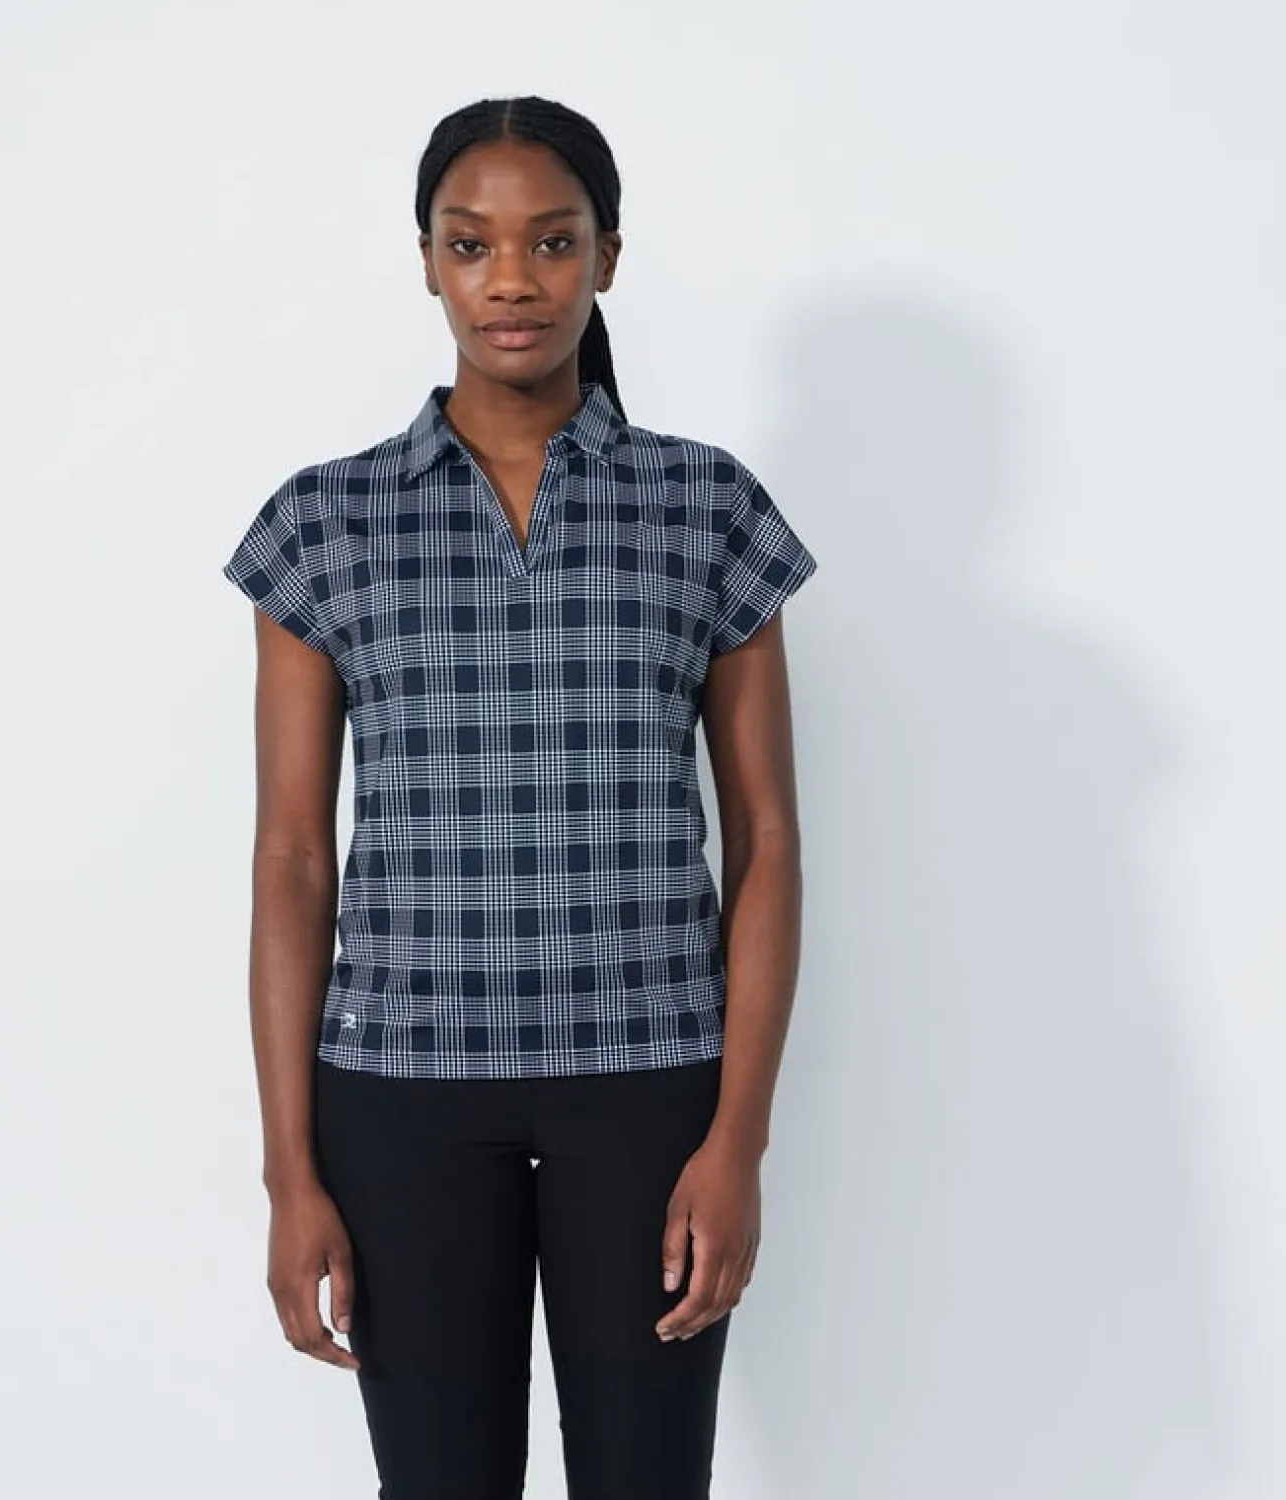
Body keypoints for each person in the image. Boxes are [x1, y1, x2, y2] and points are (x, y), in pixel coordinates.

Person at [221, 94, 817, 1500]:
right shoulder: (326, 521)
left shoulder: (705, 507)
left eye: (552, 241)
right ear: (427, 261)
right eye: (471, 242)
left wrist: (738, 1139)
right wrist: (289, 1171)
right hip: (401, 1093)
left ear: (607, 255)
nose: (512, 279)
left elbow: (769, 840)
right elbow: (292, 857)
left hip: (650, 1084)